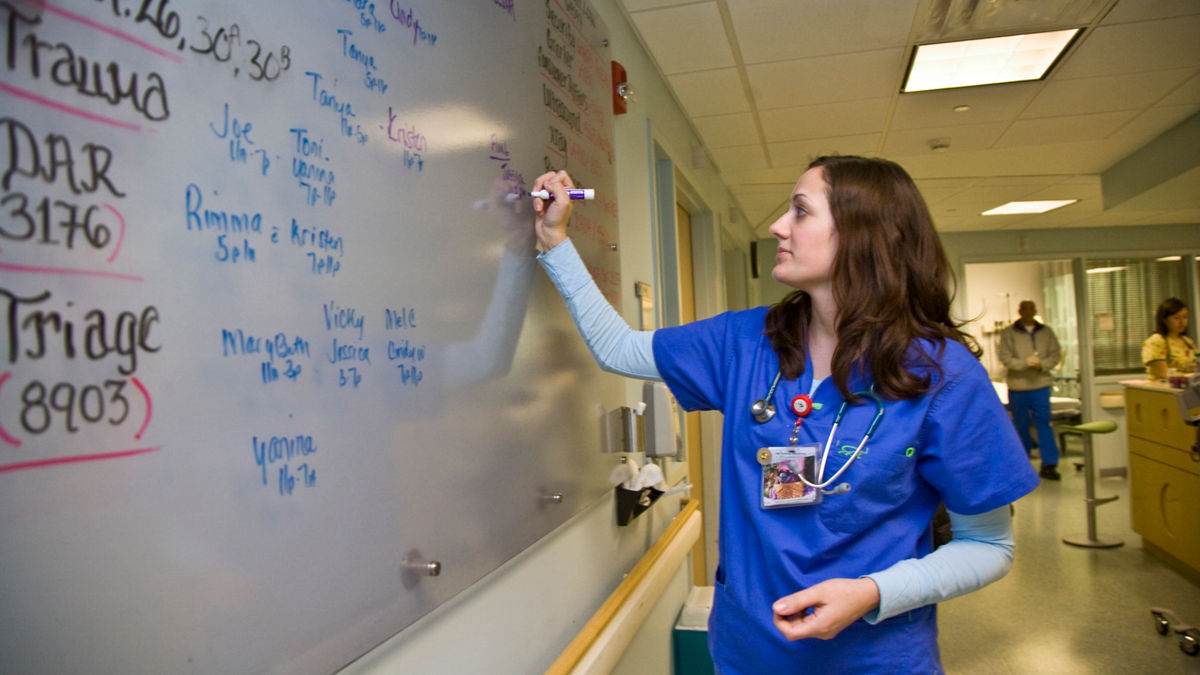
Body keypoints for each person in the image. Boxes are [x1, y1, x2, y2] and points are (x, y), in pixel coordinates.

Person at [531, 156, 1038, 673]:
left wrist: (871, 593)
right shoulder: (748, 340)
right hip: (748, 651)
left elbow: (989, 545)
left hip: (875, 658)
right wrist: (555, 240)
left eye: (800, 211)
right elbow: (618, 348)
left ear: (865, 235)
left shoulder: (941, 375)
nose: (777, 226)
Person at [997, 300, 1063, 480]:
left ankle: (1049, 464)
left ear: (1035, 311)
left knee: (1044, 424)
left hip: (1040, 384)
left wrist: (1042, 365)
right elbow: (1005, 357)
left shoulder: (1046, 332)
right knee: (1020, 425)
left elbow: (1055, 354)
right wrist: (1025, 364)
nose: (1028, 312)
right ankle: (1022, 464)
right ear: (1019, 311)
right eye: (1024, 309)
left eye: (1030, 308)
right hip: (1019, 386)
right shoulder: (1009, 333)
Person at [1142, 297, 1196, 381]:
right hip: (1164, 389)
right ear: (1165, 320)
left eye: (1185, 317)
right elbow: (1162, 374)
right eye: (1176, 318)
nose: (1182, 322)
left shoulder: (1188, 341)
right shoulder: (1157, 341)